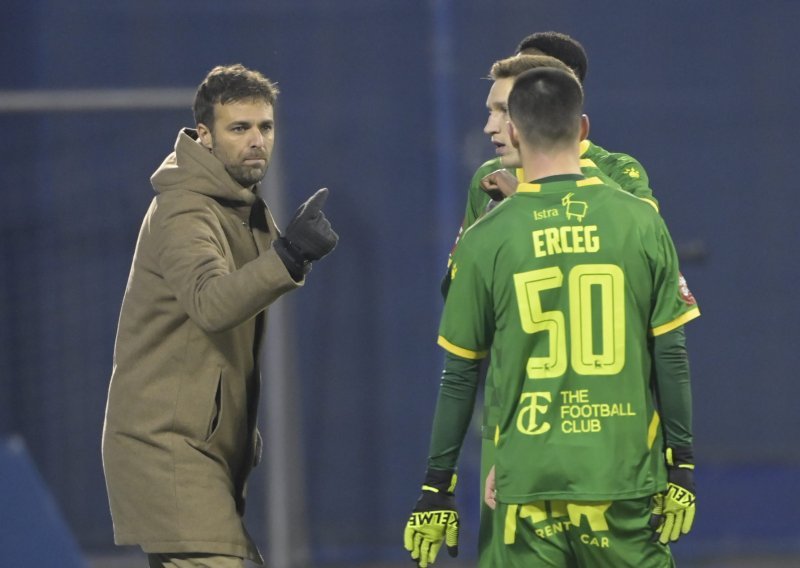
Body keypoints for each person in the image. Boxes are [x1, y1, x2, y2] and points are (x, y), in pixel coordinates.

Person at [405, 67, 699, 567]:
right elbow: (670, 354)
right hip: (623, 479)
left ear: (516, 131)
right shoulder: (641, 220)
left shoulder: (486, 238)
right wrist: (682, 466)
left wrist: (437, 487)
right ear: (581, 129)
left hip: (526, 484)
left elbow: (459, 374)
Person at [102, 64, 338, 568]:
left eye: (265, 127)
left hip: (199, 451)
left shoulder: (235, 206)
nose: (257, 141)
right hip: (168, 452)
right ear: (204, 137)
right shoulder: (185, 210)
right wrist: (290, 255)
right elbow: (211, 303)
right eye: (239, 128)